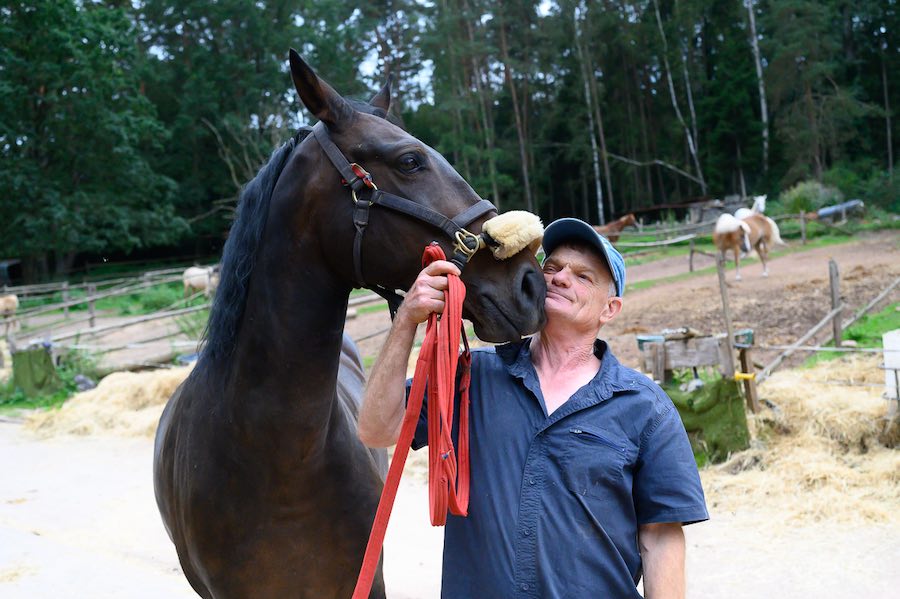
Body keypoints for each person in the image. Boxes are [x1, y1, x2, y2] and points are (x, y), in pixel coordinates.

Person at [359, 217, 708, 599]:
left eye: (583, 276)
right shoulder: (471, 378)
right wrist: (406, 320)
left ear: (610, 308)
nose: (559, 278)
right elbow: (377, 429)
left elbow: (660, 538)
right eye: (552, 268)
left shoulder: (645, 408)